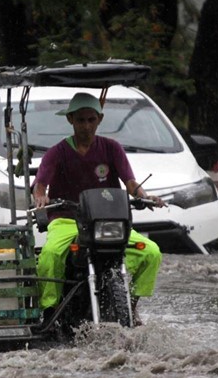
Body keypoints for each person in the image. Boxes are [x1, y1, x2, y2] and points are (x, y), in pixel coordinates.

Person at [32, 92, 165, 326]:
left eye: (91, 120)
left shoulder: (112, 148)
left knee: (151, 252)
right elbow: (40, 184)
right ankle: (50, 310)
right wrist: (41, 197)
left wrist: (145, 196)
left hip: (108, 221)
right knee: (50, 255)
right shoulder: (57, 152)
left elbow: (131, 184)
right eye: (80, 120)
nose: (86, 126)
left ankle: (131, 305)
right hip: (66, 221)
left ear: (99, 120)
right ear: (70, 120)